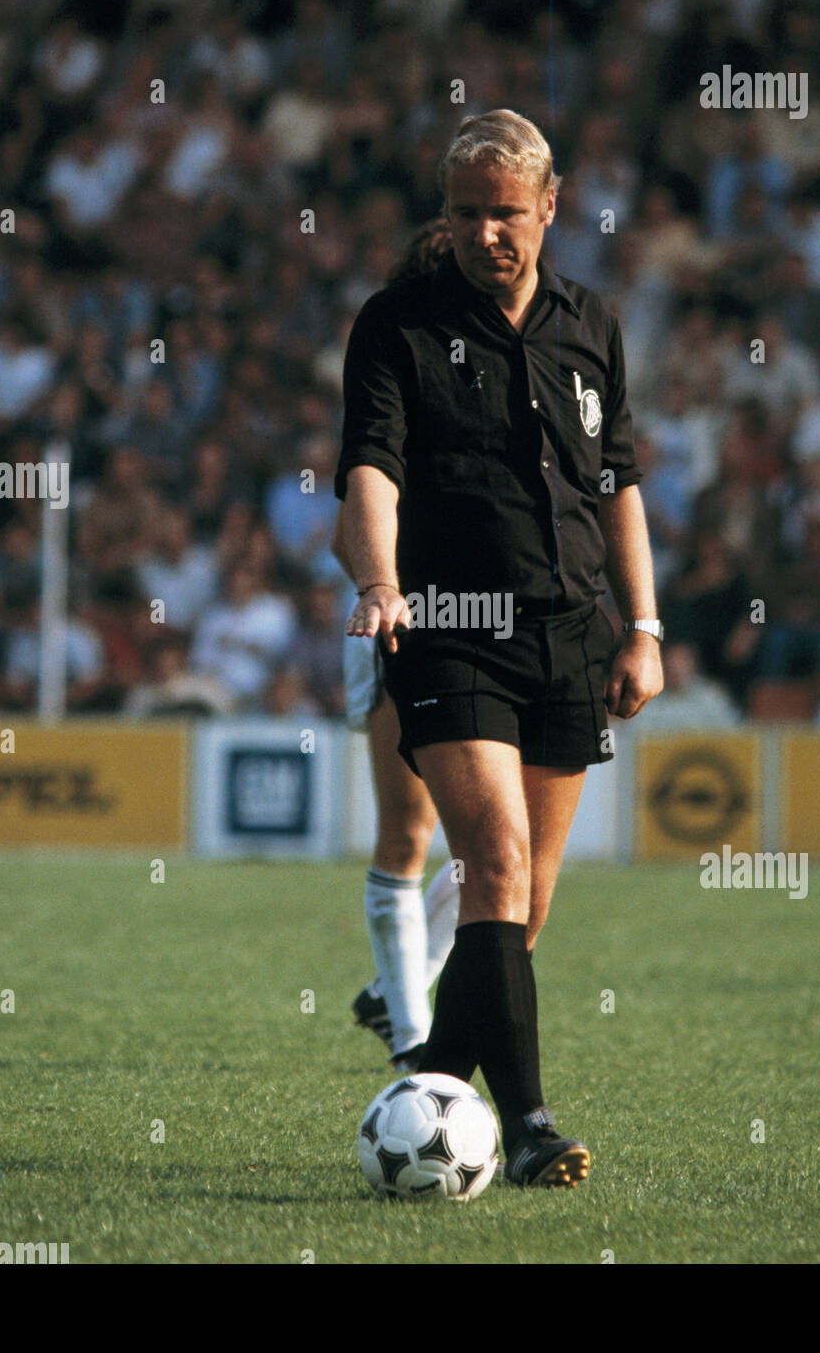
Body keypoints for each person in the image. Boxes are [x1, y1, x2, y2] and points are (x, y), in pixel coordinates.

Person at [336, 110, 663, 1188]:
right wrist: (380, 582)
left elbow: (617, 487)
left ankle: (430, 1075)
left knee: (526, 903)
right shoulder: (397, 324)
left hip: (570, 635)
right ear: (447, 213)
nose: (487, 233)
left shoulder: (592, 326)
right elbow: (368, 472)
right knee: (498, 864)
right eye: (467, 212)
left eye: (506, 212)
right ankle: (525, 1122)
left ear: (550, 205)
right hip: (445, 628)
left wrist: (644, 626)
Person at [331, 218, 461, 1076]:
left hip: (500, 627)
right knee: (408, 836)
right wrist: (390, 586)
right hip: (406, 626)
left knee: (505, 846)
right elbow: (347, 530)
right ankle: (414, 1050)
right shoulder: (397, 373)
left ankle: (396, 985)